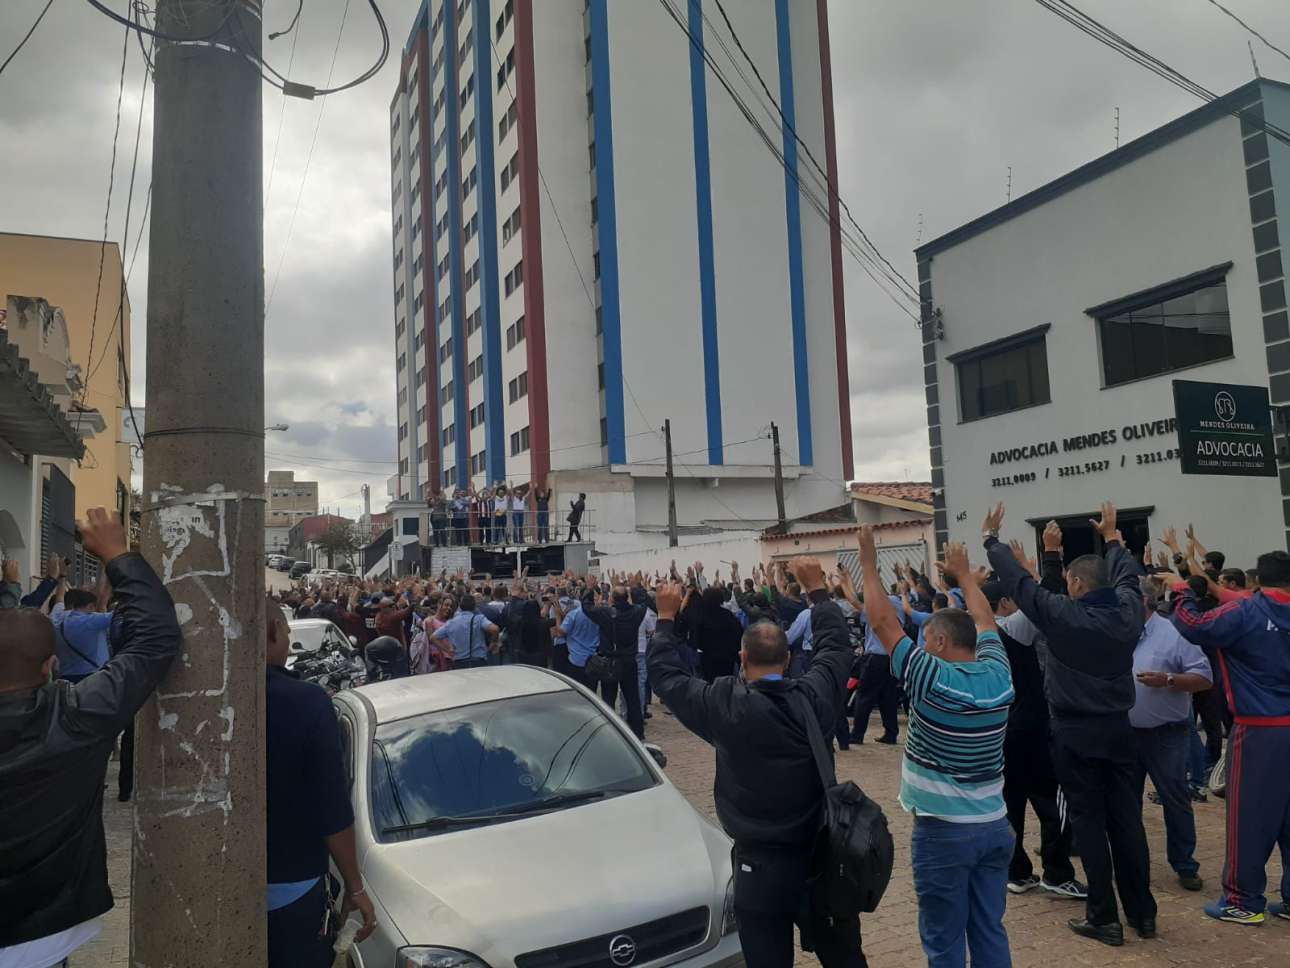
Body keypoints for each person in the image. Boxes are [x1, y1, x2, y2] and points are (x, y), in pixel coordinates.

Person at [648, 557, 866, 968]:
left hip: (758, 864)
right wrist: (818, 593)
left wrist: (664, 619)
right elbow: (836, 647)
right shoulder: (814, 698)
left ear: (742, 658)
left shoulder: (724, 704)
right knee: (844, 956)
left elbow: (667, 677)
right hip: (821, 854)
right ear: (787, 661)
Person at [0, 509, 179, 965]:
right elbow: (154, 641)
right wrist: (118, 555)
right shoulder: (75, 715)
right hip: (38, 937)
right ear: (49, 665)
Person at [986, 502, 1156, 946]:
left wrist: (993, 542)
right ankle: (1143, 913)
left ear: (1076, 584)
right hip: (1120, 731)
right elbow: (1129, 579)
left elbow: (1020, 585)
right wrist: (1114, 539)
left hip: (1075, 733)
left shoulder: (1063, 615)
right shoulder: (1128, 611)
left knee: (1088, 824)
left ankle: (1104, 917)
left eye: (1068, 580)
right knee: (1127, 823)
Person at [859, 526, 1015, 968]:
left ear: (941, 642)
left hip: (945, 831)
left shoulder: (929, 678)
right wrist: (966, 578)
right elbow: (985, 621)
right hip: (993, 826)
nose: (922, 643)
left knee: (944, 940)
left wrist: (868, 563)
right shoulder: (998, 674)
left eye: (927, 637)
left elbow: (883, 623)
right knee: (989, 929)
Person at [1172, 549, 1290, 926]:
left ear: (1258, 582)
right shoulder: (1255, 608)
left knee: (1249, 816)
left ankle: (1243, 899)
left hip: (1260, 729)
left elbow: (1193, 623)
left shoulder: (1246, 613)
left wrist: (1179, 590)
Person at [265, 597, 377, 965]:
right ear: (272, 633)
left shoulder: (206, 700)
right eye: (283, 630)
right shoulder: (306, 702)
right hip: (292, 890)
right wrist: (354, 885)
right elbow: (330, 805)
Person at [981, 580, 1083, 901]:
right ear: (1006, 601)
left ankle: (1018, 871)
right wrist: (1041, 563)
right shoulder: (1011, 628)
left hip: (1001, 731)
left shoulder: (978, 635)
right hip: (1032, 731)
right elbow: (1041, 602)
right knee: (1053, 804)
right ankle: (1057, 871)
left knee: (1010, 804)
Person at [1130, 576, 1212, 893]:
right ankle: (1134, 863)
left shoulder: (1175, 631)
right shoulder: (1119, 633)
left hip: (1166, 734)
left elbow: (1204, 678)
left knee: (1175, 799)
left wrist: (1168, 680)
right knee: (1126, 801)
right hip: (1125, 733)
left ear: (1143, 601)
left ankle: (1185, 864)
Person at [850, 593, 901, 746]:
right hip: (892, 657)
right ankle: (891, 733)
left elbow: (853, 601)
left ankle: (857, 735)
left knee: (864, 697)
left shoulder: (876, 614)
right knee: (888, 697)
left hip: (875, 658)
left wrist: (845, 580)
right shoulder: (897, 611)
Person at [600, 585, 648, 739]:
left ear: (612, 598)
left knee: (608, 699)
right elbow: (644, 602)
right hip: (629, 660)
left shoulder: (607, 614)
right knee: (632, 698)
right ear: (627, 598)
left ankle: (608, 731)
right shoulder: (636, 613)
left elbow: (589, 609)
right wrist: (638, 587)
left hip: (611, 661)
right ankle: (638, 732)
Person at [49, 580, 113, 683]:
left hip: (65, 678)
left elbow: (59, 598)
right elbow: (121, 613)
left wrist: (62, 576)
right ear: (91, 606)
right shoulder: (90, 621)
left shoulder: (56, 618)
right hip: (93, 677)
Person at [432, 593, 498, 668]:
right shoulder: (479, 619)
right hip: (478, 662)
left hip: (458, 663)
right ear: (474, 606)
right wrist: (493, 643)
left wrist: (448, 650)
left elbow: (433, 637)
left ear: (460, 606)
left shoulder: (451, 622)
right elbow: (495, 629)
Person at [694, 586, 744, 682]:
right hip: (727, 658)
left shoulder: (700, 617)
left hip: (708, 658)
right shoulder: (728, 615)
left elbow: (696, 639)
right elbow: (739, 635)